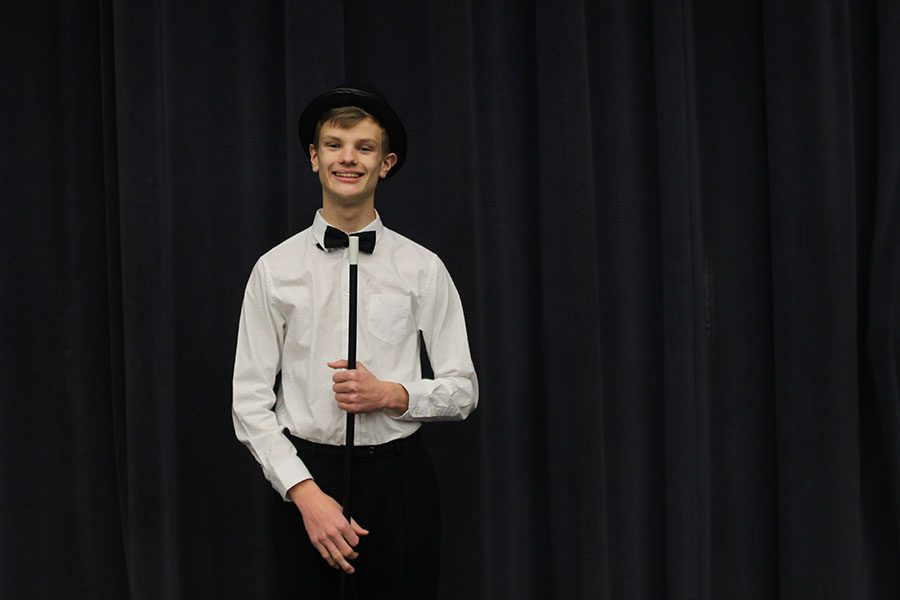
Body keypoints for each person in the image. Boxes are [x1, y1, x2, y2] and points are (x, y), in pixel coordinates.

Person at [232, 84, 479, 599]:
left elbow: (464, 389)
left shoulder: (423, 267)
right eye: (335, 144)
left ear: (385, 164)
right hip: (307, 479)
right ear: (314, 158)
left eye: (364, 147)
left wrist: (394, 395)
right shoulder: (274, 270)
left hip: (400, 482)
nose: (349, 158)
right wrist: (303, 493)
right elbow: (249, 402)